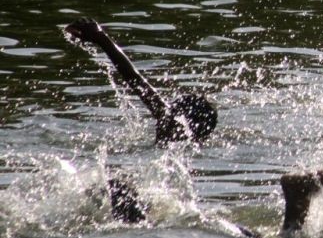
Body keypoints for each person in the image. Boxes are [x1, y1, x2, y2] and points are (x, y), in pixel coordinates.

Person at [64, 18, 323, 238]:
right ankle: (296, 203)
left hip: (200, 226)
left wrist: (102, 39)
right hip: (202, 223)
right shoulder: (179, 139)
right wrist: (101, 39)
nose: (162, 113)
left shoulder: (174, 138)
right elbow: (134, 79)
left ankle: (296, 200)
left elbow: (134, 80)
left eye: (170, 112)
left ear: (182, 124)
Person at [64, 18, 217, 146]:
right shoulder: (195, 143)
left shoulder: (173, 124)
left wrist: (101, 37)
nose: (166, 109)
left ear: (182, 118)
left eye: (172, 107)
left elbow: (134, 78)